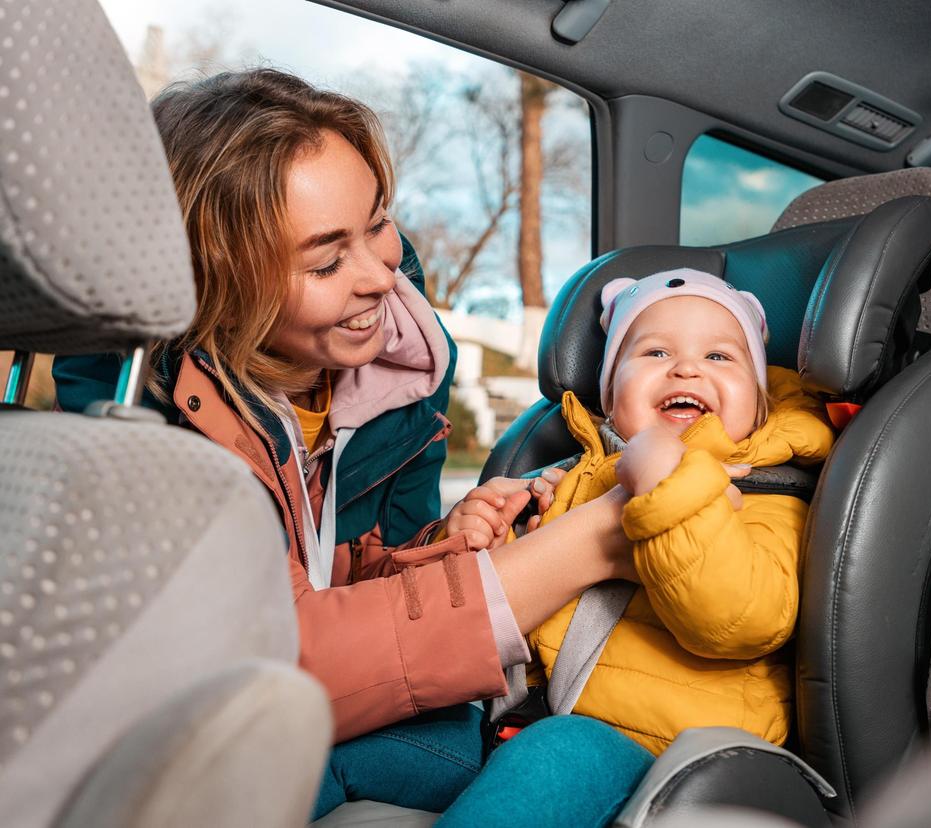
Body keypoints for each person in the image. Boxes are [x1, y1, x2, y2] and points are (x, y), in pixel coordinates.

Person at [51, 69, 652, 825]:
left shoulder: (400, 372)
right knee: (570, 754)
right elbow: (277, 649)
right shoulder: (152, 421)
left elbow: (362, 575)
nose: (384, 275)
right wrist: (588, 543)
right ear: (221, 286)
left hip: (348, 712)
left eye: (378, 222)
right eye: (327, 261)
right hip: (198, 721)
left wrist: (451, 542)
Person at [445, 269, 836, 765]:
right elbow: (492, 621)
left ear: (759, 405)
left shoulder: (770, 491)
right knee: (353, 745)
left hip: (667, 755)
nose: (686, 370)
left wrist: (666, 484)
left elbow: (739, 621)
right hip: (520, 719)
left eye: (718, 356)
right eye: (656, 352)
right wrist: (470, 540)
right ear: (609, 398)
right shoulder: (569, 477)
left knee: (553, 753)